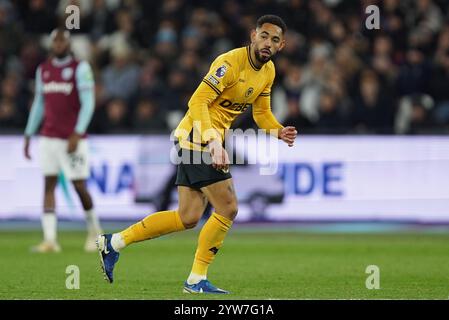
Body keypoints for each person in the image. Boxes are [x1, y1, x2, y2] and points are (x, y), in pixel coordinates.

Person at [97, 15, 297, 294]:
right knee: (228, 207)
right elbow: (198, 100)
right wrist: (213, 142)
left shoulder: (268, 71)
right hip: (197, 140)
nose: (268, 43)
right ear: (253, 36)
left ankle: (114, 242)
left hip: (200, 141)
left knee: (188, 216)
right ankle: (195, 279)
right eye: (264, 36)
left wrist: (278, 131)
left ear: (282, 45)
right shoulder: (229, 63)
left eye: (274, 40)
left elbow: (261, 113)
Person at [24, 28, 102, 253]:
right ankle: (50, 240)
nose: (58, 45)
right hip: (48, 137)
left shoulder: (80, 68)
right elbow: (39, 103)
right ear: (51, 44)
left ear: (68, 44)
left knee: (79, 185)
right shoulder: (43, 69)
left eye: (62, 42)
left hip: (72, 138)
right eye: (55, 42)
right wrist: (29, 133)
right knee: (48, 184)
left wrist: (77, 132)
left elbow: (89, 103)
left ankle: (94, 231)